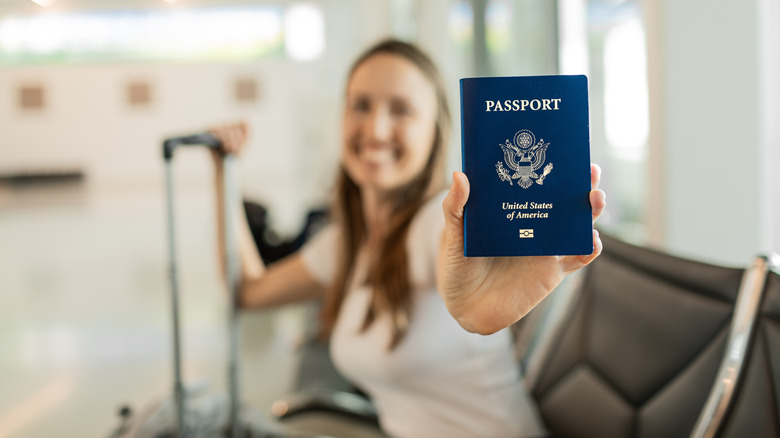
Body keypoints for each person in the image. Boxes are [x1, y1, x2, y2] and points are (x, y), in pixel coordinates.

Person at [211, 39, 606, 438]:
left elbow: (447, 259)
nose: (376, 130)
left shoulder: (431, 223)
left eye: (402, 110)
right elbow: (246, 291)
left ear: (435, 132)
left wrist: (472, 305)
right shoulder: (349, 243)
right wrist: (223, 174)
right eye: (361, 105)